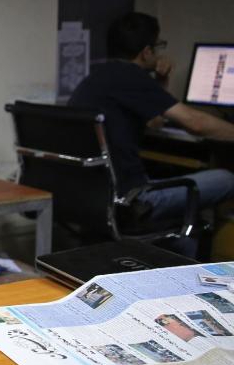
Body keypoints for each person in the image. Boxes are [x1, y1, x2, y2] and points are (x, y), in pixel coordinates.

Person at [69, 12, 234, 244]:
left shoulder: (96, 78)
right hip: (133, 198)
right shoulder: (132, 77)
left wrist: (161, 82)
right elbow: (197, 124)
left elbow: (154, 121)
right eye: (158, 46)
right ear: (146, 51)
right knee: (226, 178)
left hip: (94, 196)